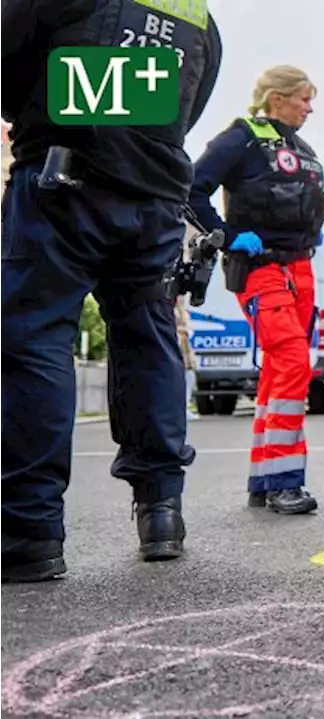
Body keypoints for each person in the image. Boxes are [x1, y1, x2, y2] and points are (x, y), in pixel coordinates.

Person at [0, 0, 221, 580]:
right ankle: (161, 513)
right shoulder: (198, 15)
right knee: (148, 339)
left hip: (63, 177)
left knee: (33, 338)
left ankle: (28, 534)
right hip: (153, 192)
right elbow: (185, 103)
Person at [188, 66, 324, 516]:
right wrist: (226, 236)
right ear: (277, 97)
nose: (310, 107)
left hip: (300, 267)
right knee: (290, 360)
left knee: (277, 371)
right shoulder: (242, 137)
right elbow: (192, 189)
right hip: (259, 264)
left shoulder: (301, 148)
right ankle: (286, 482)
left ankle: (263, 478)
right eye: (304, 98)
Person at [175, 294, 200, 422]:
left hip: (185, 350)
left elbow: (190, 328)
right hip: (176, 348)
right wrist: (181, 330)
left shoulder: (183, 312)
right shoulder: (171, 311)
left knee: (189, 376)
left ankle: (185, 405)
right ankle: (180, 408)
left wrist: (186, 330)